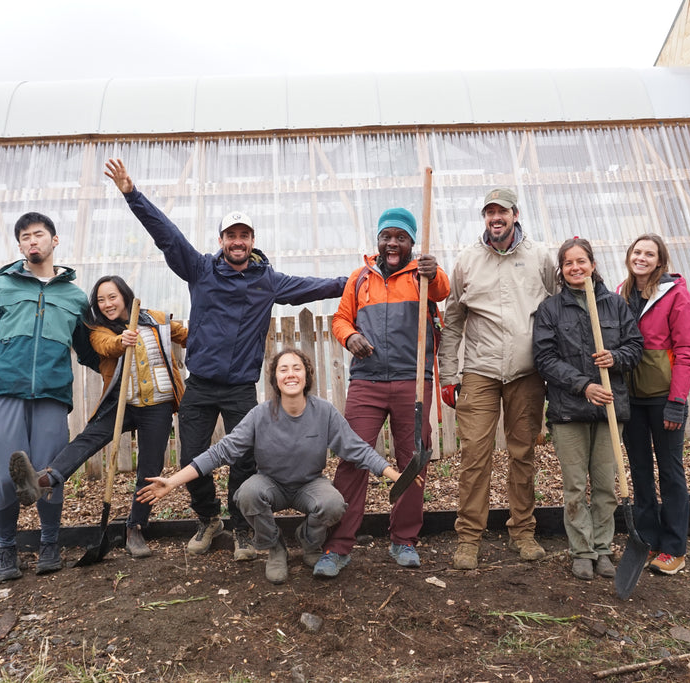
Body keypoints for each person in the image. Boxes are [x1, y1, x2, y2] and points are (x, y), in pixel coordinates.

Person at [103, 158, 347, 562]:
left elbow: (311, 287)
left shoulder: (267, 280)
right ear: (221, 240)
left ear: (252, 240)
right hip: (200, 383)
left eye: (244, 235)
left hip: (238, 388)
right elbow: (167, 235)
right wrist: (132, 193)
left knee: (244, 459)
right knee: (190, 457)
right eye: (231, 235)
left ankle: (241, 528)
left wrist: (352, 280)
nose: (238, 241)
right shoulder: (200, 269)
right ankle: (207, 518)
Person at [135, 349, 403, 585]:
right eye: (283, 369)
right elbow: (220, 452)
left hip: (310, 484)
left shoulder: (324, 411)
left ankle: (310, 541)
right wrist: (173, 482)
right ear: (275, 379)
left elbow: (356, 448)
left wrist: (393, 475)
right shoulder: (260, 415)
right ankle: (275, 548)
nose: (290, 374)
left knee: (333, 503)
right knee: (247, 494)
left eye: (296, 368)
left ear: (307, 376)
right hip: (271, 483)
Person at [0, 212, 100, 582]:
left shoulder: (75, 297)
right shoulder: (3, 287)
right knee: (3, 472)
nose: (32, 242)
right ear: (19, 246)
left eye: (39, 235)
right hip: (4, 390)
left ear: (54, 240)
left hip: (52, 393)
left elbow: (91, 349)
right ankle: (7, 550)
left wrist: (120, 364)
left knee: (49, 470)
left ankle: (50, 544)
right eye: (25, 237)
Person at [9, 275, 188, 559]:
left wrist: (210, 333)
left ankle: (136, 529)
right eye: (101, 300)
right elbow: (107, 346)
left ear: (125, 296)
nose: (106, 304)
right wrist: (122, 339)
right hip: (120, 403)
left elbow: (186, 335)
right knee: (87, 439)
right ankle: (43, 481)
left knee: (150, 468)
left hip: (158, 404)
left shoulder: (157, 319)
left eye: (112, 297)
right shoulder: (99, 330)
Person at [316, 207, 450, 577]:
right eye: (387, 236)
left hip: (413, 380)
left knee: (413, 460)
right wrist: (351, 336)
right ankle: (338, 545)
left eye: (401, 237)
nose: (393, 243)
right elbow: (341, 319)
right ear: (378, 240)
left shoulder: (422, 275)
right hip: (367, 382)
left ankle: (403, 539)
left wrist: (432, 270)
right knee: (353, 457)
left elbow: (443, 288)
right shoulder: (360, 278)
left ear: (410, 242)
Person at [437, 187, 559, 571]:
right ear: (484, 218)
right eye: (489, 212)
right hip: (480, 371)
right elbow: (453, 320)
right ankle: (469, 538)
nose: (496, 218)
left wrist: (558, 368)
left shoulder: (540, 257)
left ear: (515, 214)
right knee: (475, 455)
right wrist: (449, 373)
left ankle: (522, 531)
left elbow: (560, 309)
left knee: (523, 453)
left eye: (502, 211)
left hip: (527, 373)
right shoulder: (468, 261)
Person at [533, 237, 643, 580]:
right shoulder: (551, 309)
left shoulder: (614, 305)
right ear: (561, 270)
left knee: (606, 484)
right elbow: (544, 358)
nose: (575, 268)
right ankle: (581, 550)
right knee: (575, 486)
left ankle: (604, 549)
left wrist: (616, 357)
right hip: (569, 410)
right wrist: (584, 385)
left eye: (581, 261)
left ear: (593, 265)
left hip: (610, 409)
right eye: (568, 263)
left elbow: (635, 347)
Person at [618, 234, 690, 575]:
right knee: (639, 471)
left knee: (670, 471)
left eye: (649, 254)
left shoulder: (675, 295)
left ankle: (674, 547)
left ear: (660, 261)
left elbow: (687, 351)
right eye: (637, 252)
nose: (642, 258)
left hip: (663, 397)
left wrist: (677, 401)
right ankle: (647, 538)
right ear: (629, 257)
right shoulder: (623, 292)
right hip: (631, 399)